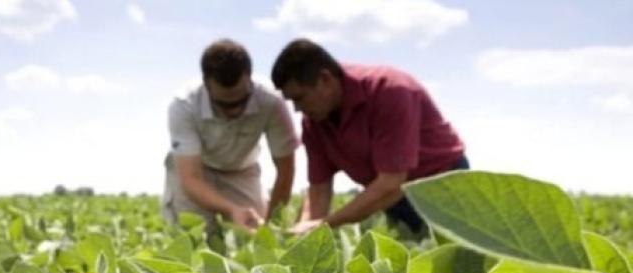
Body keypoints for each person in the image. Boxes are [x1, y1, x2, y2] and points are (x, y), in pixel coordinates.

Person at [270, 38, 469, 235]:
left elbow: (393, 181)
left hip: (445, 187)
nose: (296, 109)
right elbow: (319, 189)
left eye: (299, 97)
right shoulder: (313, 121)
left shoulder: (389, 89)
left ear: (325, 79)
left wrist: (325, 223)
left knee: (461, 261)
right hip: (392, 199)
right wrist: (305, 230)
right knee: (414, 256)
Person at [162, 39, 299, 232]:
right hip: (199, 168)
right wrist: (231, 209)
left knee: (254, 230)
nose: (234, 111)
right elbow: (191, 178)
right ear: (206, 86)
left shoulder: (271, 102)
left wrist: (272, 229)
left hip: (242, 170)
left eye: (241, 101)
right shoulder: (184, 105)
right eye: (224, 105)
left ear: (250, 80)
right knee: (194, 234)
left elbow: (286, 171)